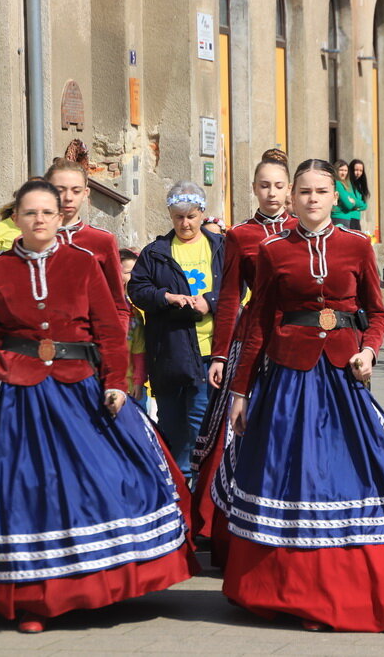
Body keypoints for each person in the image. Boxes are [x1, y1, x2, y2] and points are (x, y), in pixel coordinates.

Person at [216, 158, 384, 632]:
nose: (313, 199)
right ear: (293, 197)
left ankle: (378, 588)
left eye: (322, 191)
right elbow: (258, 323)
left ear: (335, 197)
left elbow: (376, 313)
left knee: (365, 470)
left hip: (342, 376)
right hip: (287, 380)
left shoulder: (357, 246)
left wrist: (369, 351)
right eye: (304, 192)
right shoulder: (273, 249)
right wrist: (240, 390)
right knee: (295, 479)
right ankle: (295, 595)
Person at [0, 179, 198, 633]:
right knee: (27, 492)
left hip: (79, 391)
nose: (39, 221)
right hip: (16, 396)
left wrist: (115, 382)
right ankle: (33, 598)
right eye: (29, 213)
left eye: (47, 213)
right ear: (17, 218)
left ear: (59, 217)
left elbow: (109, 329)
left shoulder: (84, 263)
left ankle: (95, 584)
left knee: (99, 482)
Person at [193, 152, 298, 552]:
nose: (271, 193)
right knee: (233, 430)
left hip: (293, 335)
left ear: (289, 189)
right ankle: (223, 529)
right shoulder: (240, 235)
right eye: (264, 185)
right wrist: (220, 353)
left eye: (278, 185)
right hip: (250, 335)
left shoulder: (301, 229)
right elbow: (231, 297)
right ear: (253, 189)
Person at [128, 182, 224, 483]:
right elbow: (137, 289)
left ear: (202, 214)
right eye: (178, 217)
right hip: (170, 352)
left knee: (201, 425)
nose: (185, 223)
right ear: (170, 215)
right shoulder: (156, 252)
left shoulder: (220, 247)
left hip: (208, 354)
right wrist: (166, 298)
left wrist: (209, 302)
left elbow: (236, 288)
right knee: (171, 426)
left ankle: (201, 491)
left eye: (192, 216)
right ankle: (178, 489)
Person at [45, 159, 130, 331]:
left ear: (86, 193)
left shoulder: (101, 241)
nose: (68, 198)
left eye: (76, 191)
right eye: (60, 190)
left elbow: (118, 304)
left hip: (88, 346)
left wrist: (113, 345)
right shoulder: (28, 240)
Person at [119, 248, 148, 411]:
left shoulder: (134, 313)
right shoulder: (99, 309)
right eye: (129, 272)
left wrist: (138, 381)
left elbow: (139, 351)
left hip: (132, 388)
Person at [332, 159, 366, 229]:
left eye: (345, 171)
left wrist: (354, 202)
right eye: (341, 170)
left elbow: (364, 205)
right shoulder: (338, 183)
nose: (343, 173)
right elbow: (348, 205)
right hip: (340, 218)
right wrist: (354, 203)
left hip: (347, 218)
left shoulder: (346, 184)